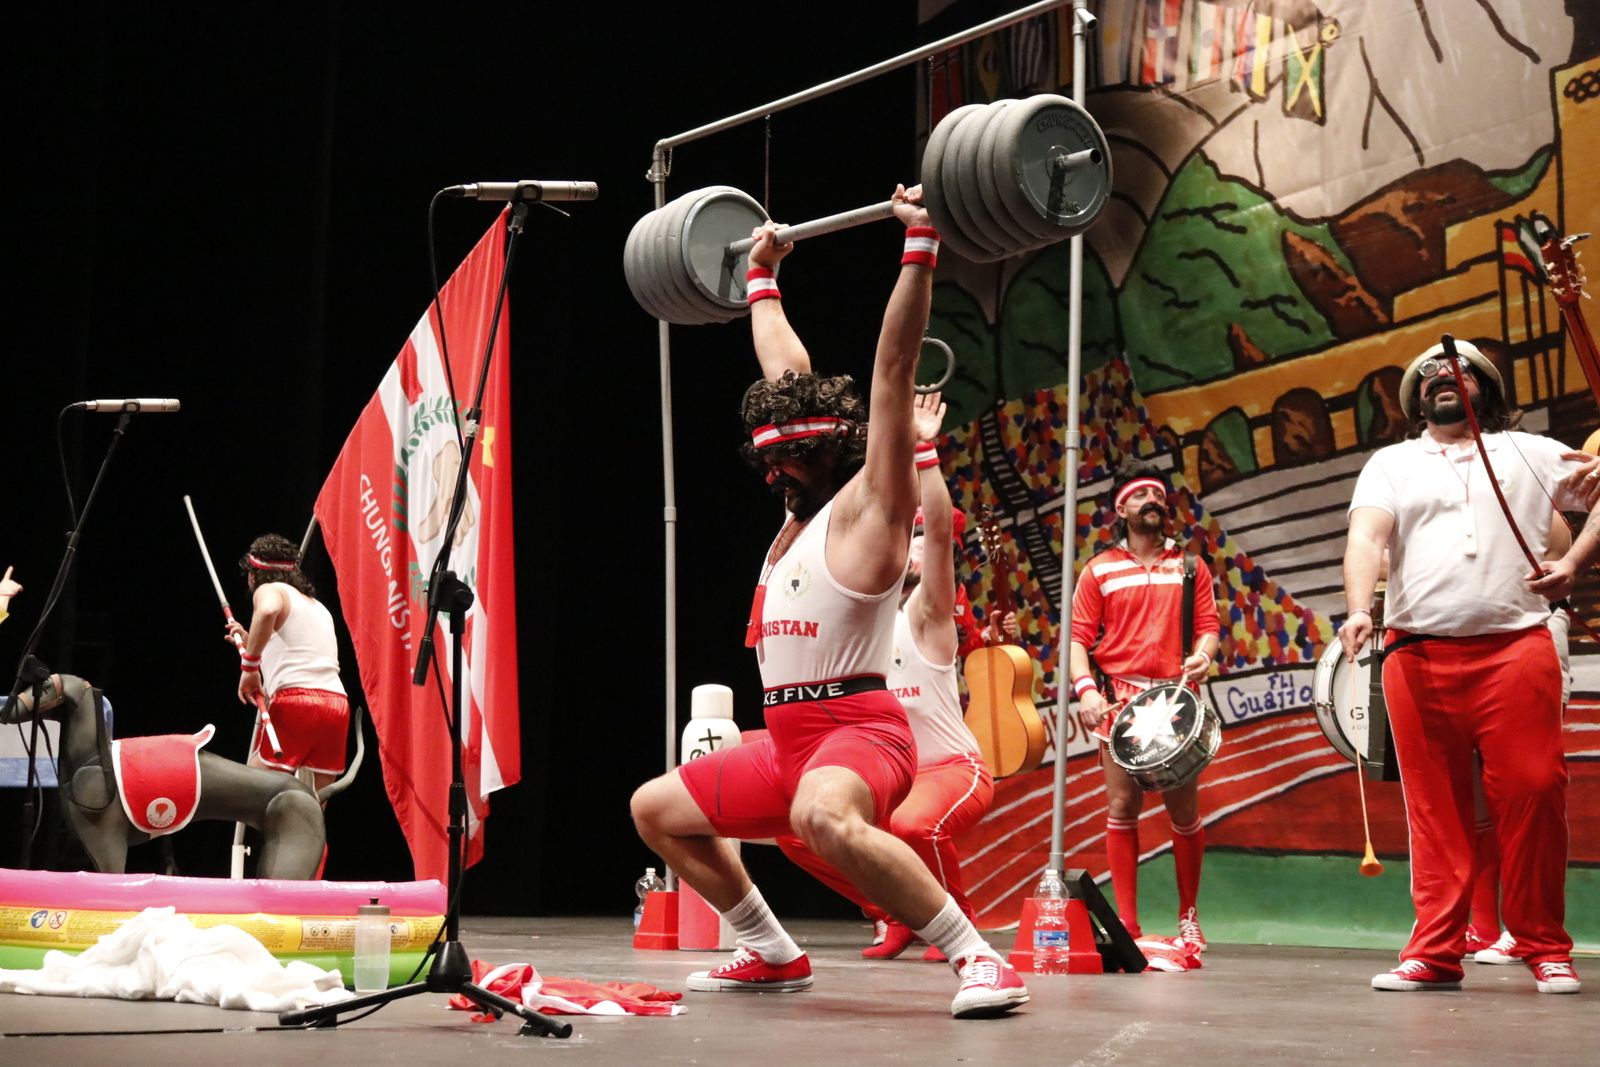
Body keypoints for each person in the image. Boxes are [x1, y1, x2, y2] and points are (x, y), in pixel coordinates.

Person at [630, 187, 1029, 1019]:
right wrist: (761, 280)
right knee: (656, 808)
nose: (776, 474)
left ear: (832, 454)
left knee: (821, 816)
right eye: (768, 463)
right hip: (785, 735)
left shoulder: (871, 507)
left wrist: (920, 245)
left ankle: (977, 956)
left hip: (860, 729)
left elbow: (891, 370)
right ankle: (771, 950)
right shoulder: (797, 505)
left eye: (791, 461)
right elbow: (789, 377)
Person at [1341, 337, 1600, 994]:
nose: (1441, 380)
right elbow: (1366, 536)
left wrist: (1572, 564)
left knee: (1536, 789)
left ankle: (1543, 944)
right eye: (1428, 377)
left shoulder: (1532, 451)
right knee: (1436, 810)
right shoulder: (1391, 463)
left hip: (1516, 648)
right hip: (1415, 653)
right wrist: (1357, 606)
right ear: (1416, 400)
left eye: (1457, 371)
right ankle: (1435, 952)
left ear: (1487, 386)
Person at [775, 391, 1010, 962]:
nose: (914, 549)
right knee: (793, 827)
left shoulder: (928, 616)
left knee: (909, 825)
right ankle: (893, 912)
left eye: (919, 542)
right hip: (886, 772)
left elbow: (942, 541)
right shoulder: (858, 614)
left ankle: (956, 923)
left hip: (951, 770)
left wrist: (921, 451)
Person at [1069, 459, 1220, 949]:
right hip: (1120, 703)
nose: (1152, 501)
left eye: (1157, 494)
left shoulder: (1192, 567)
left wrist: (1201, 656)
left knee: (1183, 812)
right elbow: (1077, 639)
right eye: (1140, 496)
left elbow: (1209, 630)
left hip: (1176, 700)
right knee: (1121, 805)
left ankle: (1189, 917)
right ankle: (1128, 926)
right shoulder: (1099, 570)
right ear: (1121, 509)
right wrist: (1085, 690)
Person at [226, 534, 349, 793]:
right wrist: (250, 640)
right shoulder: (316, 606)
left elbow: (268, 610)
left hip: (299, 702)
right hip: (336, 706)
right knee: (313, 807)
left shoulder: (269, 590)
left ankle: (267, 833)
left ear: (253, 574)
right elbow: (295, 650)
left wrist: (249, 669)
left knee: (250, 791)